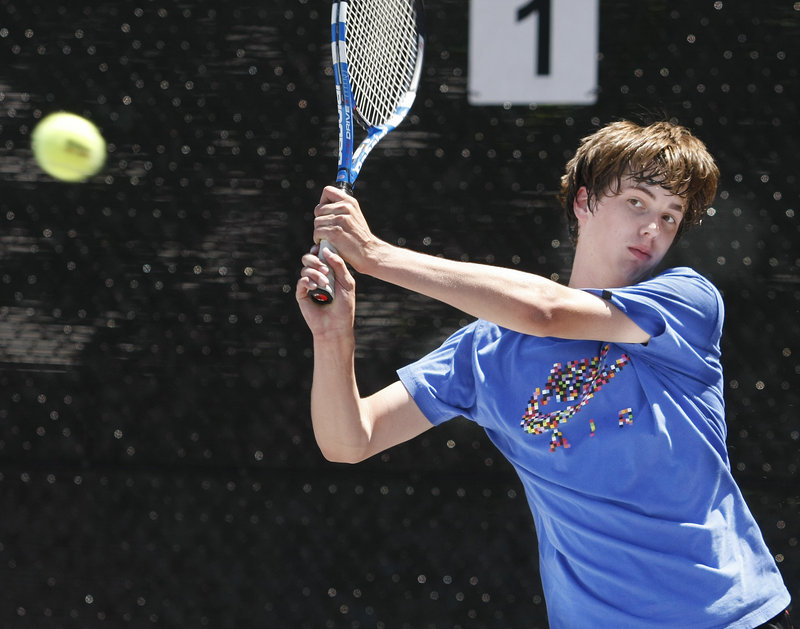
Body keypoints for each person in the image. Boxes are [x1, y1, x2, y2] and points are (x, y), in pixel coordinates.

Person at [296, 120, 793, 628]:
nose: (652, 229)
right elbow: (351, 440)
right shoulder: (484, 354)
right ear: (584, 202)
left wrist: (376, 255)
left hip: (731, 618)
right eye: (638, 203)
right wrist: (333, 338)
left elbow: (547, 311)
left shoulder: (686, 303)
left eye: (671, 216)